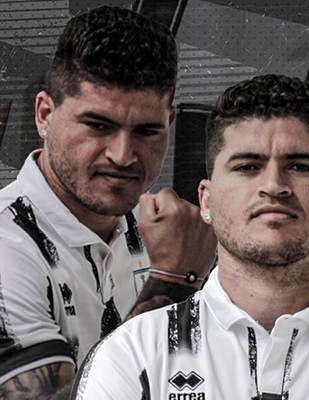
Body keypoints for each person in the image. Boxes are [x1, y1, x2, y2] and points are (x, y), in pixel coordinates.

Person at [69, 74, 309, 400]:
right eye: (247, 166)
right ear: (206, 200)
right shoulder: (131, 357)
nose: (273, 185)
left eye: (300, 166)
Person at [0, 7, 214, 399]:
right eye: (99, 126)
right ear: (44, 115)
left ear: (169, 124)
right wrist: (172, 282)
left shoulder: (164, 232)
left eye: (146, 131)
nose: (123, 155)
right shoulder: (7, 244)